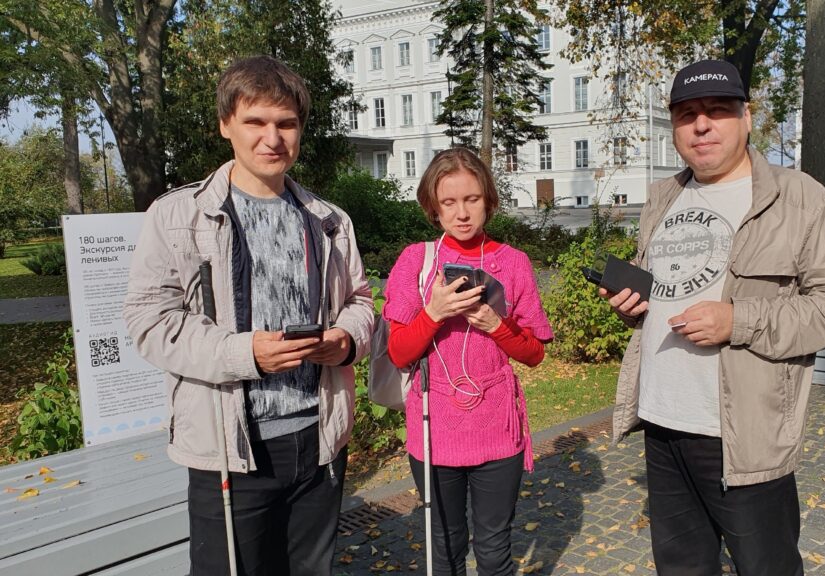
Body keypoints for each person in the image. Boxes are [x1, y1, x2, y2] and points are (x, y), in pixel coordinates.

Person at [600, 60, 825, 575]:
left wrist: (737, 321)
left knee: (766, 567)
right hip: (662, 421)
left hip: (744, 435)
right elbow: (668, 291)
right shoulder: (662, 197)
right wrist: (633, 307)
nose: (701, 125)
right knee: (681, 569)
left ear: (747, 117)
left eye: (717, 110)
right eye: (686, 115)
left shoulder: (800, 198)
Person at [123, 56, 374, 576]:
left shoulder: (329, 220)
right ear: (225, 125)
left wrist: (346, 340)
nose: (272, 138)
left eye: (286, 123)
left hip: (320, 439)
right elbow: (150, 321)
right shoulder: (178, 215)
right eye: (255, 121)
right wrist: (245, 354)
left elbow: (360, 302)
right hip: (231, 446)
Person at [383, 147, 552, 576]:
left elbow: (534, 353)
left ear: (488, 200)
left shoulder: (513, 263)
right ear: (433, 207)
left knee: (494, 551)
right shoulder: (416, 261)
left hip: (497, 427)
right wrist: (434, 312)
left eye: (472, 199)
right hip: (434, 429)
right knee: (445, 547)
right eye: (449, 202)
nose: (461, 213)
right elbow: (399, 352)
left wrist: (497, 325)